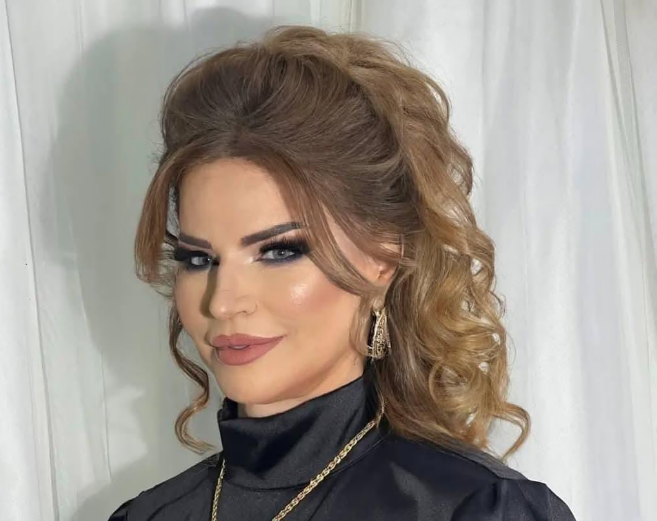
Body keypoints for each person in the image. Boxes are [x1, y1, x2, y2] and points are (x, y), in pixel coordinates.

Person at [108, 24, 577, 521]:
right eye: (199, 259)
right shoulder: (147, 516)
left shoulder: (479, 510)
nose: (222, 302)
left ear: (383, 259)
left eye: (279, 252)